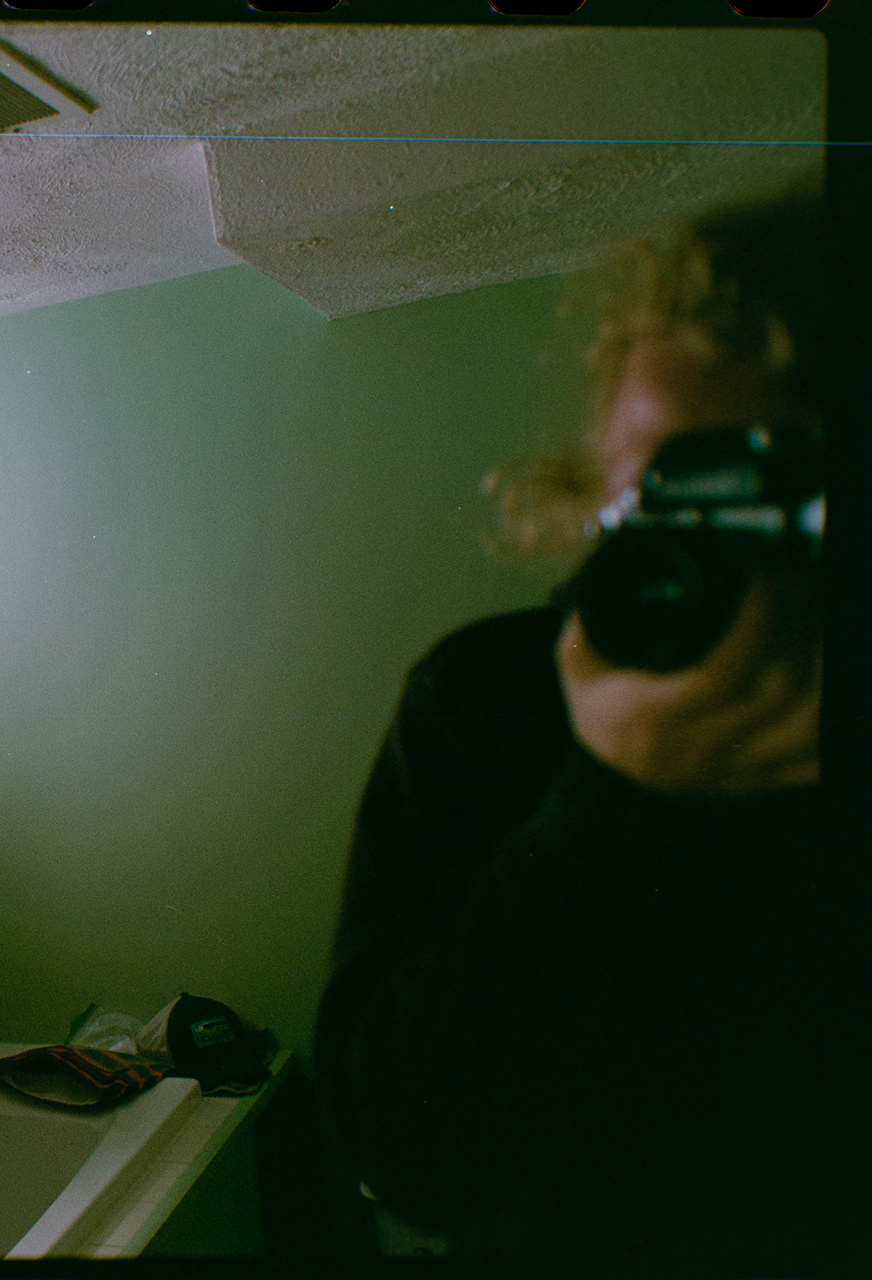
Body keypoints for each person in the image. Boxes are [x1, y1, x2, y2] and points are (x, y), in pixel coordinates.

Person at [314, 192, 861, 1266]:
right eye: (662, 495)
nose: (711, 546)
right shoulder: (488, 696)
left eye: (766, 496)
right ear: (593, 499)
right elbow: (401, 1151)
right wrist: (609, 802)